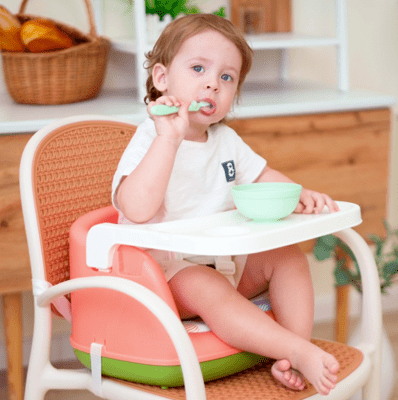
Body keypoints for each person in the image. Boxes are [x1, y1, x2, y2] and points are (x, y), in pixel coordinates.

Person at [112, 13, 341, 395]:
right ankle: (295, 349)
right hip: (162, 274)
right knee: (204, 283)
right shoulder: (150, 138)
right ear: (162, 79)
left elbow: (263, 176)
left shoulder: (226, 140)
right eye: (199, 68)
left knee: (287, 255)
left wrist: (298, 193)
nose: (211, 84)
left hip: (222, 264)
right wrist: (169, 139)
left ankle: (290, 350)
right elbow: (136, 209)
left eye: (226, 77)